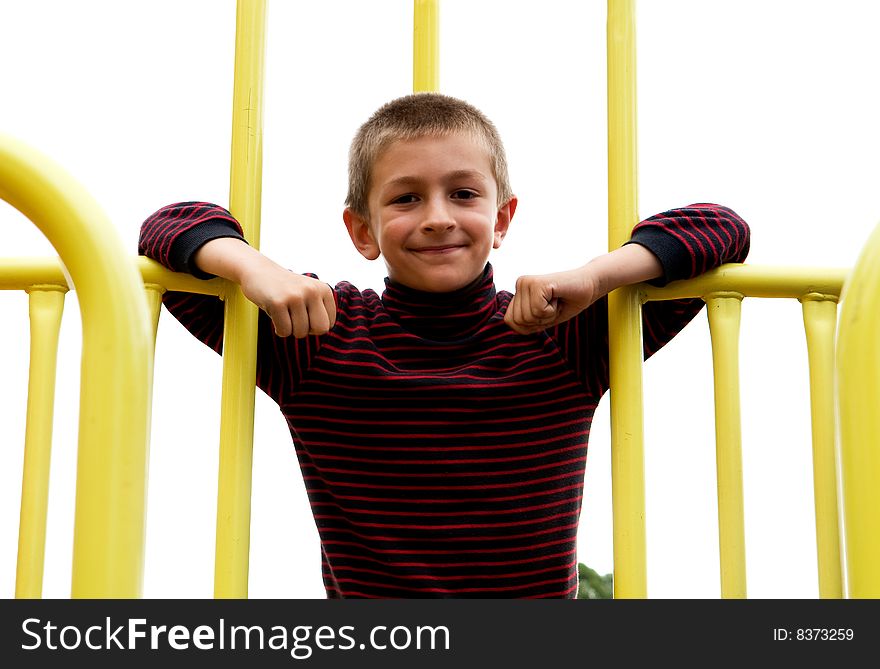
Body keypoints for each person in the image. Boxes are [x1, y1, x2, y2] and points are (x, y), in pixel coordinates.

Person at [139, 92, 750, 598]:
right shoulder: (320, 335)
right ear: (361, 230)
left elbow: (720, 227)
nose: (437, 217)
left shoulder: (560, 337)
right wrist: (253, 269)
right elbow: (167, 226)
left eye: (463, 193)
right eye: (406, 197)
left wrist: (597, 276)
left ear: (502, 219)